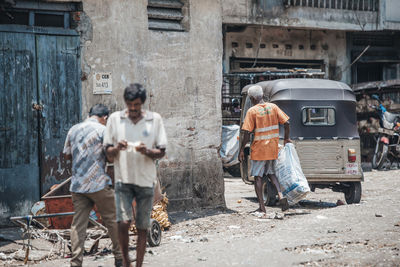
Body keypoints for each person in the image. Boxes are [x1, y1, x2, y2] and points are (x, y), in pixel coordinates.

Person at [104, 83, 167, 267]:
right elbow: (108, 153)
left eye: (137, 105)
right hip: (123, 180)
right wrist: (117, 148)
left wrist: (147, 151)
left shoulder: (154, 120)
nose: (133, 109)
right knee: (123, 223)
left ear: (143, 103)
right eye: (130, 104)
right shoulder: (115, 120)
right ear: (125, 102)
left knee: (142, 227)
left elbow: (161, 151)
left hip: (146, 181)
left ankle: (138, 264)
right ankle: (126, 261)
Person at [63, 104, 122, 267]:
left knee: (78, 224)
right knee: (113, 219)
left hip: (78, 186)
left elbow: (67, 155)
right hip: (98, 184)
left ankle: (76, 262)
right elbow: (110, 158)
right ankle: (119, 258)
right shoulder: (103, 131)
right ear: (105, 118)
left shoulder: (73, 130)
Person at [239, 85, 291, 213]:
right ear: (262, 95)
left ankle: (262, 207)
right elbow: (287, 123)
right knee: (271, 173)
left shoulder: (252, 111)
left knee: (258, 177)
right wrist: (286, 139)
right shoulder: (273, 107)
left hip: (259, 149)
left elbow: (246, 133)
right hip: (272, 148)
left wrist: (241, 150)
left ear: (251, 98)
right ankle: (281, 195)